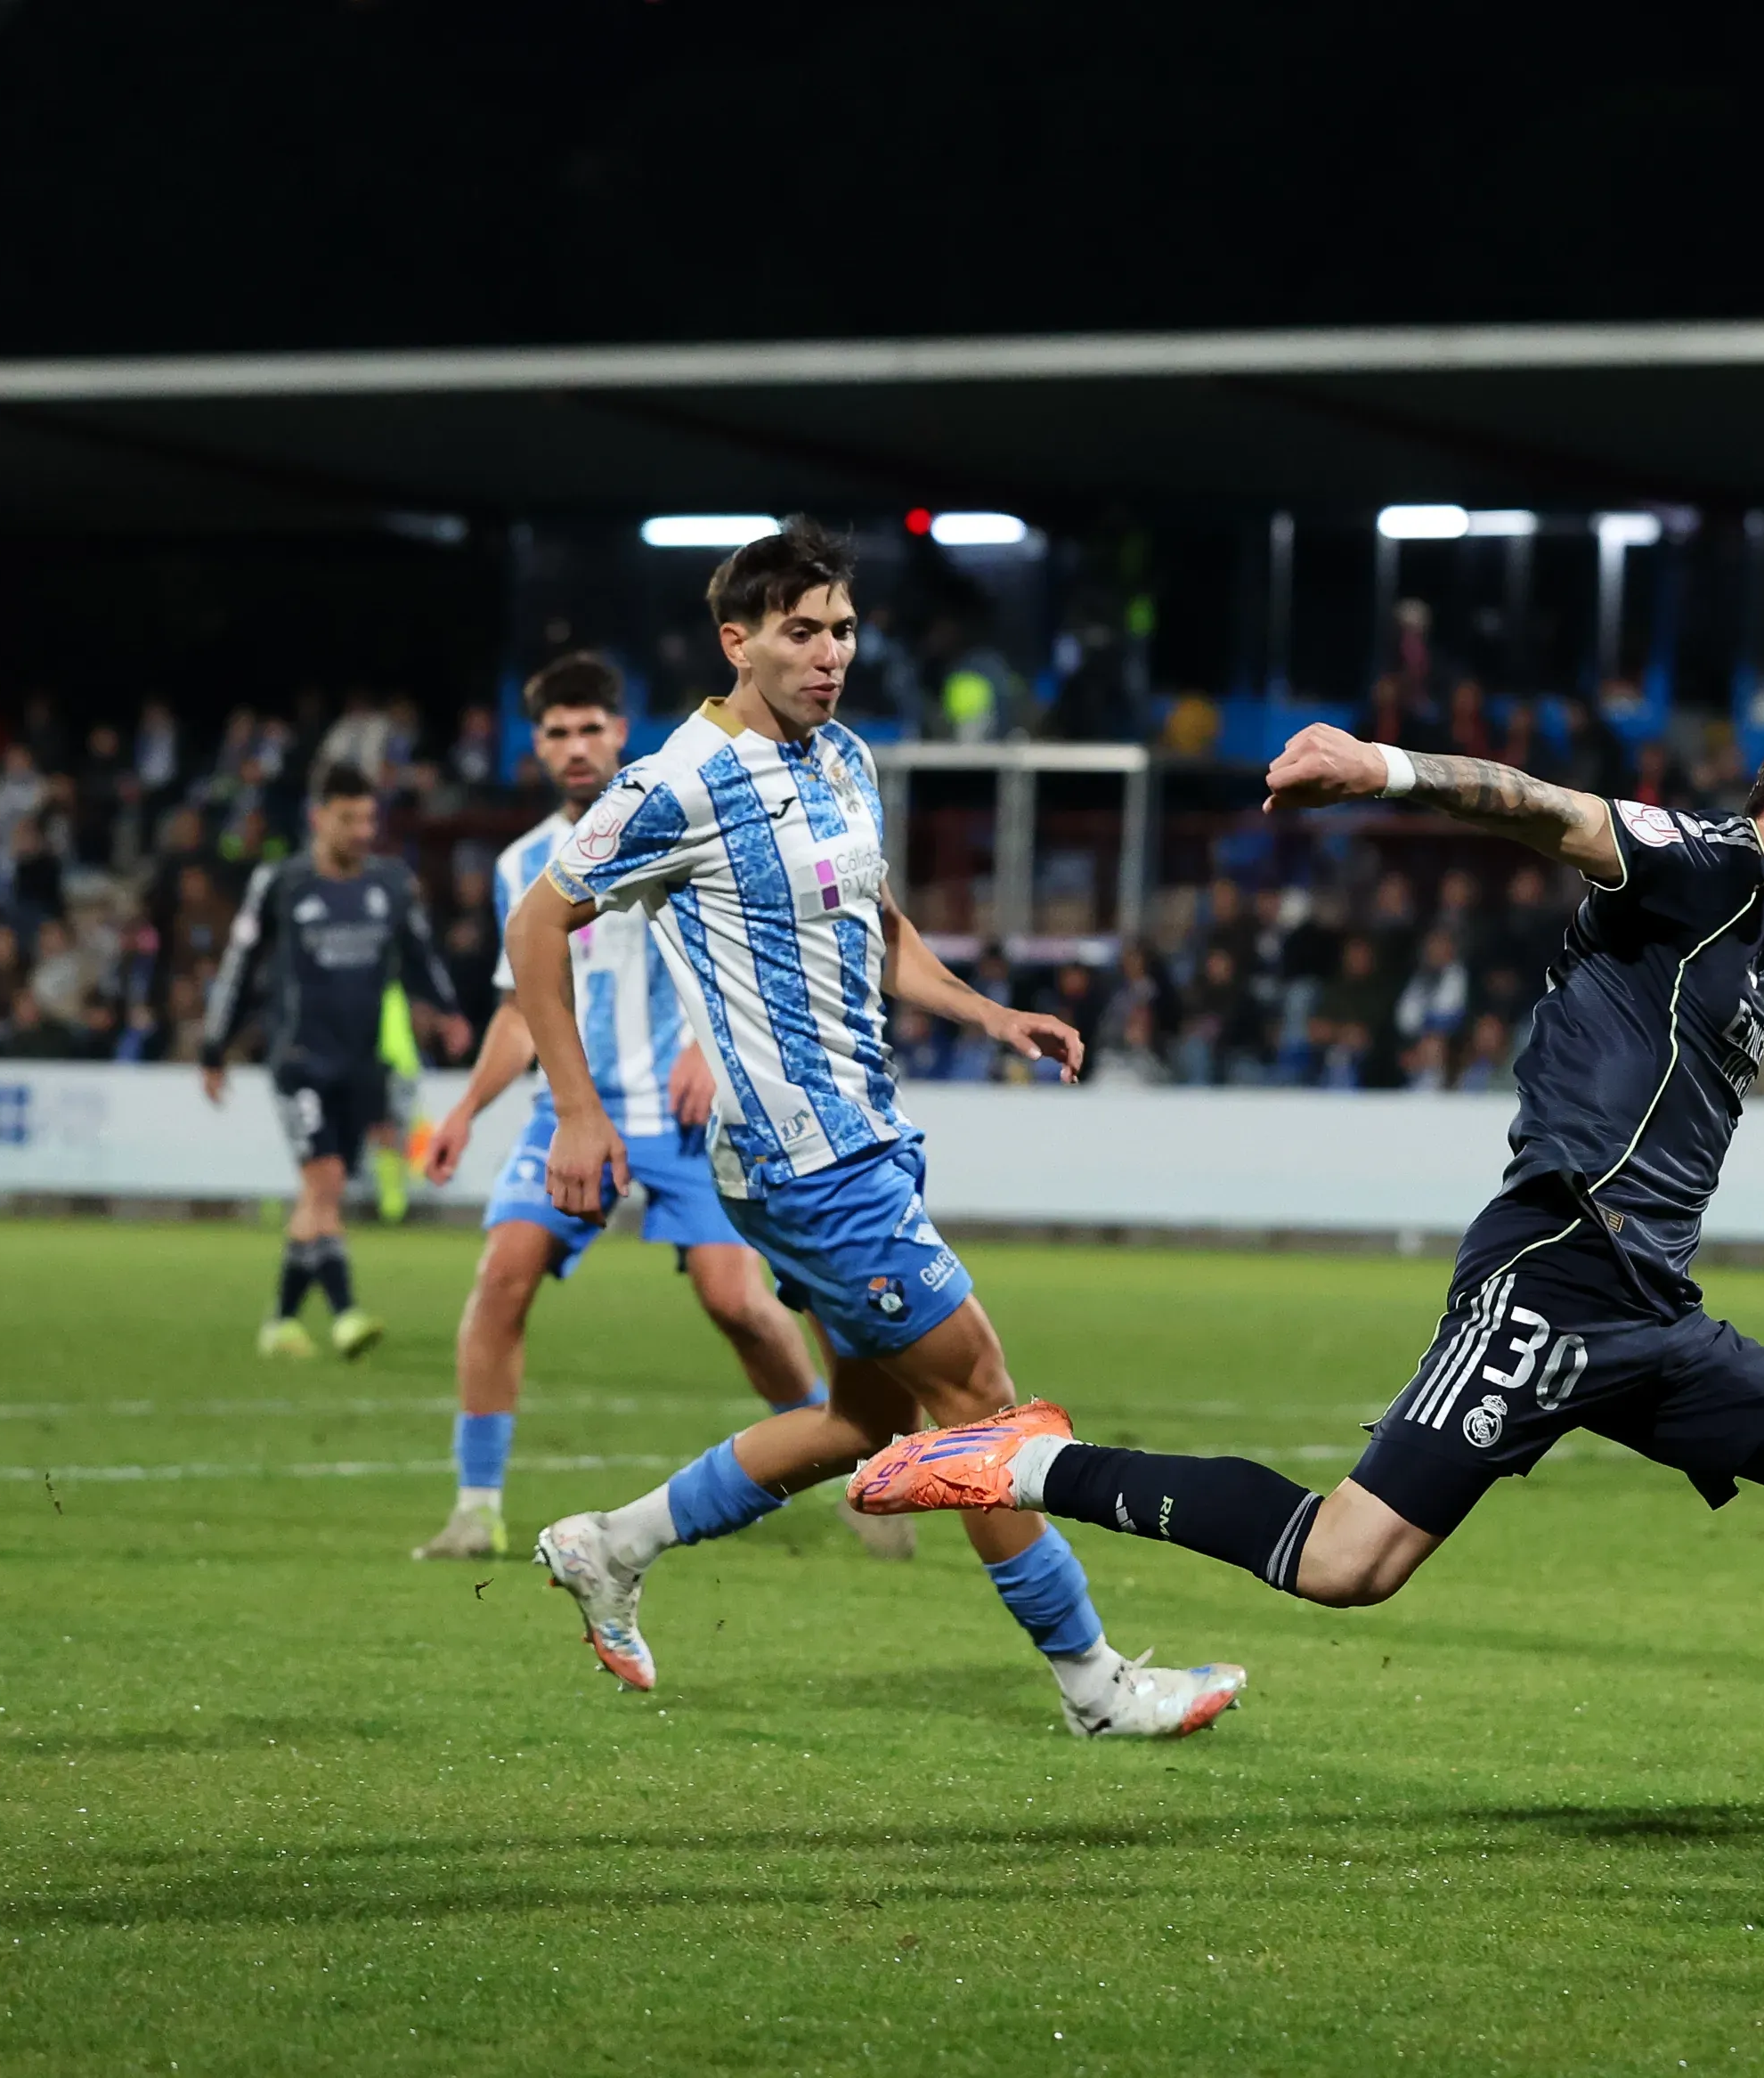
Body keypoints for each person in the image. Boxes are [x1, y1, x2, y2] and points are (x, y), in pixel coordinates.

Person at [853, 703, 1764, 1815]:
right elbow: (1556, 814)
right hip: (1552, 1281)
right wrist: (1388, 769)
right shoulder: (1697, 861)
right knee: (1344, 1560)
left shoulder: (1746, 918)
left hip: (1654, 1316)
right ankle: (1029, 1459)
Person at [508, 519, 1240, 1738]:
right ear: (736, 641)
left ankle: (609, 1544)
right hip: (806, 1162)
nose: (831, 652)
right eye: (803, 632)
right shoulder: (677, 781)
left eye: (843, 628)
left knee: (867, 1421)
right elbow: (539, 927)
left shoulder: (843, 757)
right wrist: (578, 1114)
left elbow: (879, 923)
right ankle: (1095, 1686)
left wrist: (989, 1011)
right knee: (984, 1409)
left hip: (864, 1136)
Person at [414, 654, 899, 1567]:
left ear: (618, 730)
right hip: (574, 1112)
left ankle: (839, 1463)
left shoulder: (672, 813)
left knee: (741, 1305)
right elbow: (521, 1006)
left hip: (687, 1117)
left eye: (590, 726)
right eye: (555, 731)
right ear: (539, 746)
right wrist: (466, 1109)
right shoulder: (525, 862)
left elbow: (740, 946)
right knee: (501, 1275)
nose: (574, 745)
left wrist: (702, 1051)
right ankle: (476, 1506)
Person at [199, 761, 468, 1359]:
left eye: (369, 818)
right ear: (320, 818)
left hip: (360, 1061)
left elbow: (420, 953)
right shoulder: (282, 882)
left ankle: (281, 1321)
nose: (362, 831)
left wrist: (448, 1011)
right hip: (298, 1059)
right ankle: (346, 1312)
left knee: (321, 1192)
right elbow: (240, 967)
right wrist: (214, 1046)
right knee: (323, 1182)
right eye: (349, 819)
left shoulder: (392, 884)